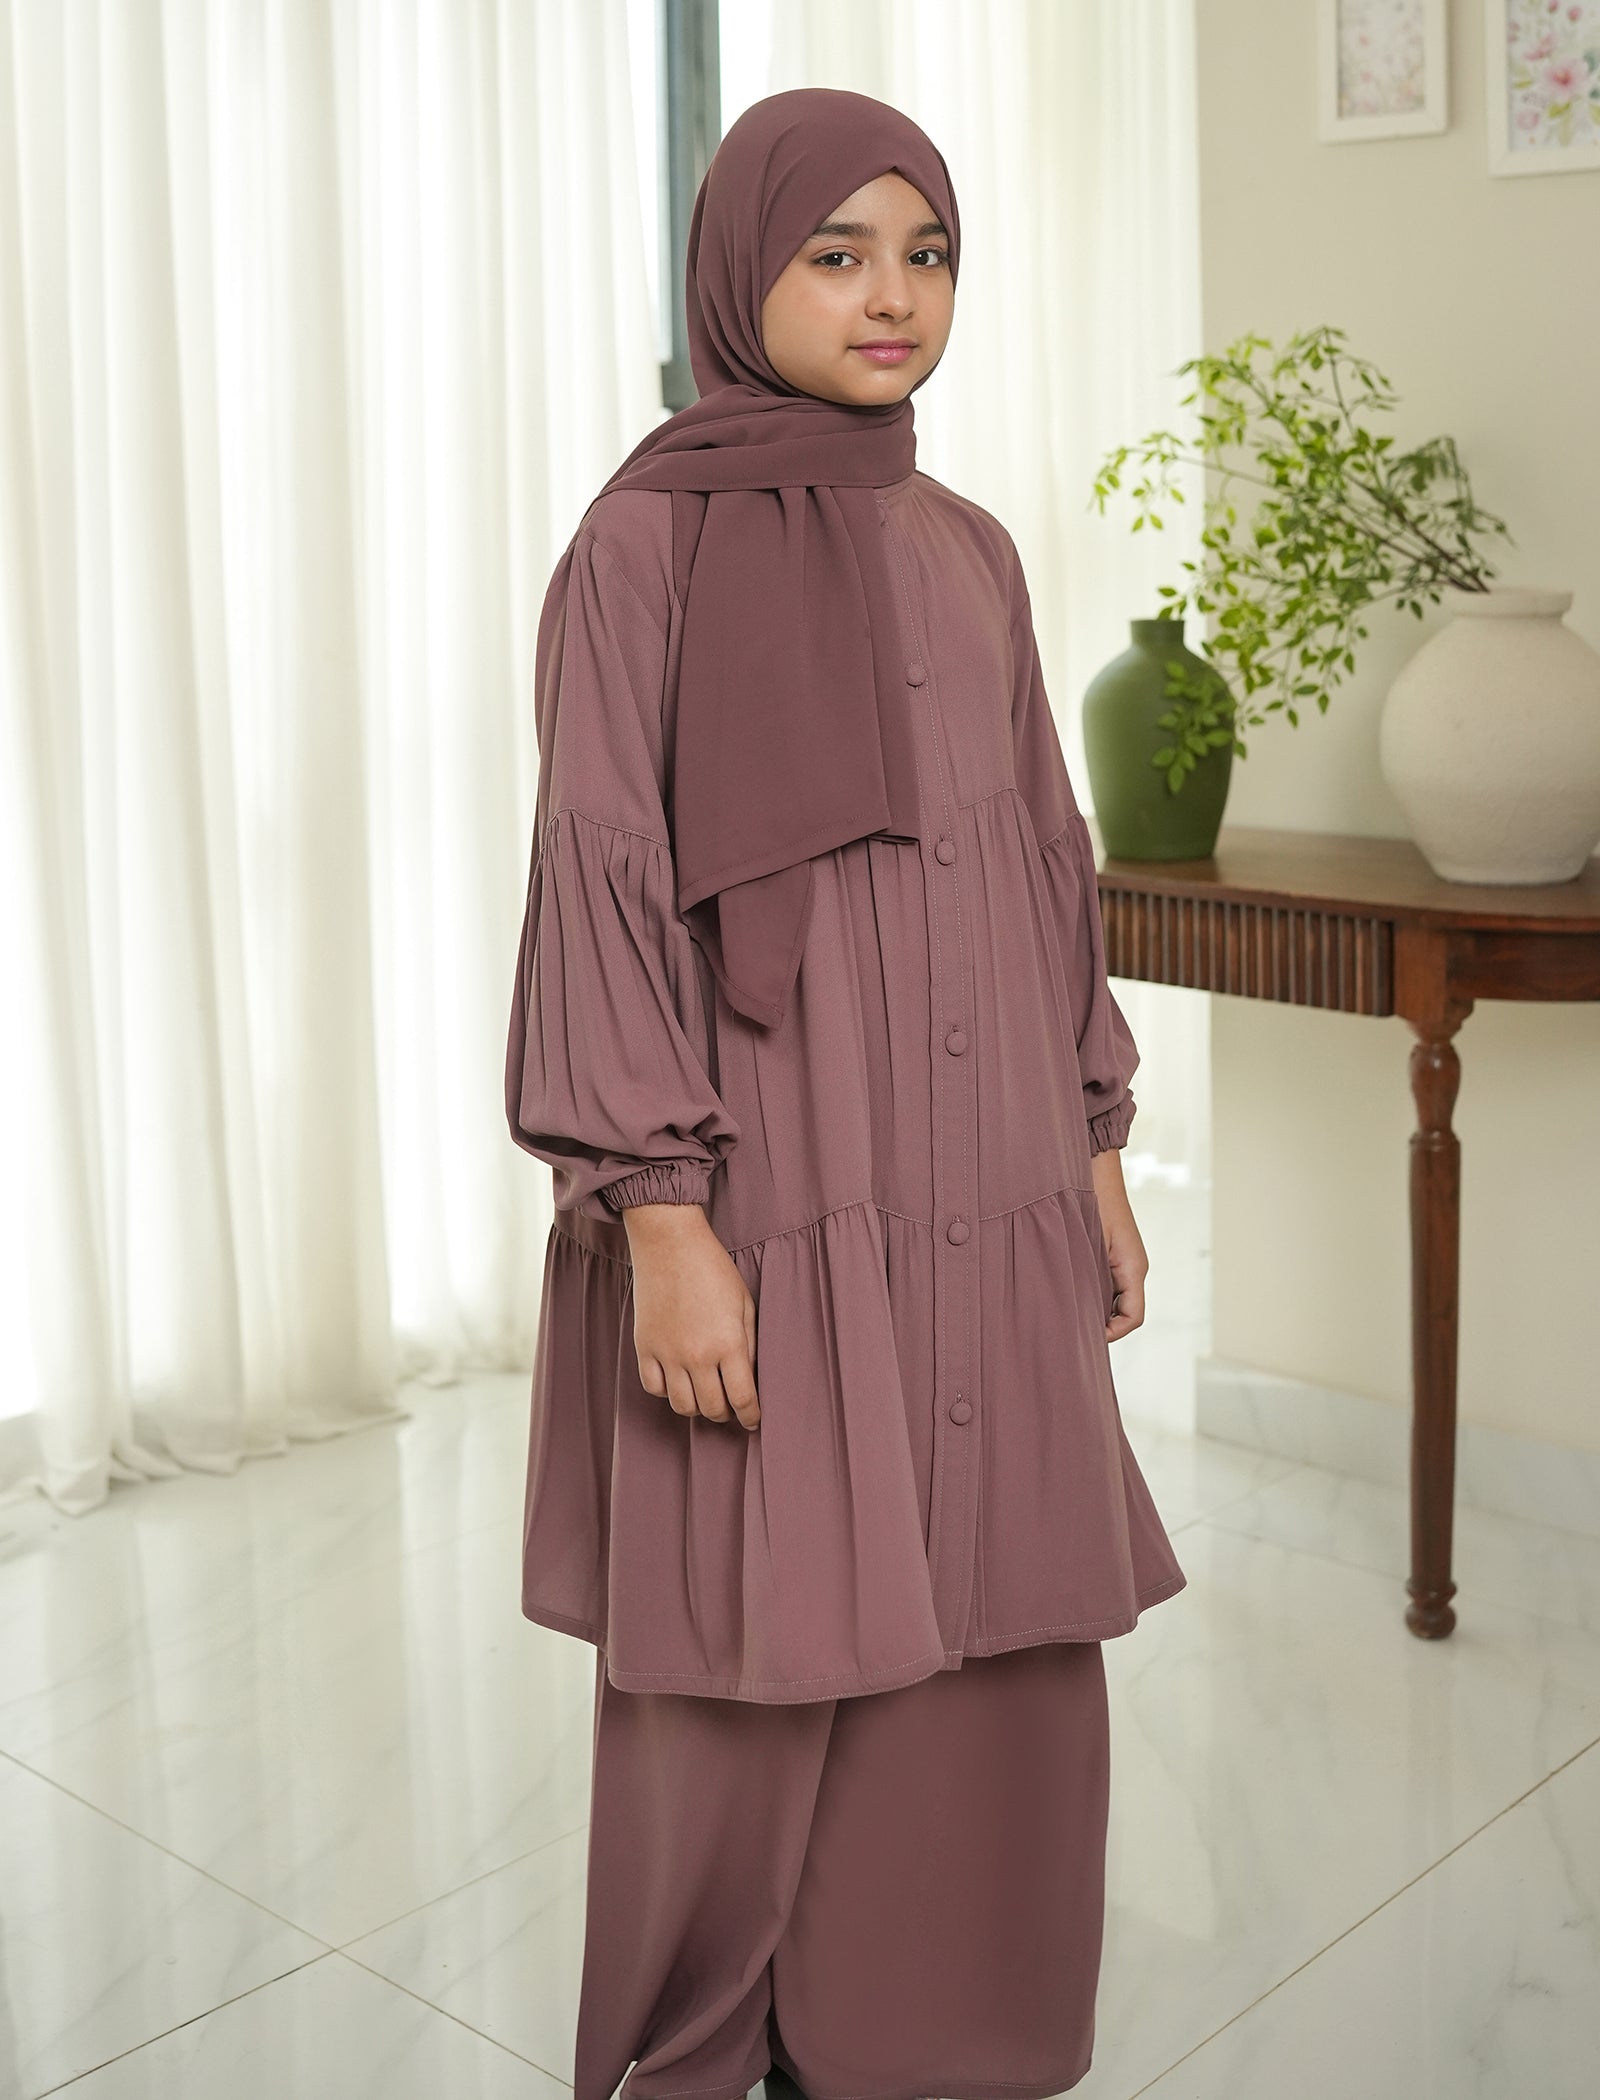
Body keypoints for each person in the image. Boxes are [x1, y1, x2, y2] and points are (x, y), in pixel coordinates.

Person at [505, 85, 1188, 2100]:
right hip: (770, 1193)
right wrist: (660, 1217)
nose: (893, 297)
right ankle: (699, 2051)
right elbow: (601, 879)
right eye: (837, 254)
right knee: (752, 1629)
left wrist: (1091, 1147)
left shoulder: (969, 551)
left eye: (928, 254)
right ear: (744, 272)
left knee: (991, 1604)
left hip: (985, 1172)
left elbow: (1042, 861)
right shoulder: (641, 549)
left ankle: (935, 2038)